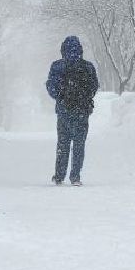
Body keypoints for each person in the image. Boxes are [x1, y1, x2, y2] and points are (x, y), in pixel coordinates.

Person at [45, 35, 99, 186]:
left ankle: (59, 176)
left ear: (63, 50)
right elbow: (94, 87)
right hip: (82, 111)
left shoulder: (57, 66)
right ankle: (75, 177)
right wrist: (83, 98)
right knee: (79, 144)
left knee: (63, 144)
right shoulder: (88, 66)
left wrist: (61, 97)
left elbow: (51, 88)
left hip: (64, 111)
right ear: (80, 50)